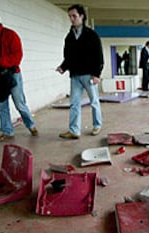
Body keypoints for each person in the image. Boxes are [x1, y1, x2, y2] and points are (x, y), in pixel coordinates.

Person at [0, 9, 38, 142]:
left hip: (13, 74)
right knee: (1, 104)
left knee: (19, 103)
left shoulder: (11, 35)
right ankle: (7, 131)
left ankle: (31, 125)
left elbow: (17, 57)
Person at [56, 4, 104, 139]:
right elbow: (68, 57)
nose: (72, 19)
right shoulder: (69, 37)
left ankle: (97, 125)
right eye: (70, 16)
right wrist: (63, 67)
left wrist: (97, 74)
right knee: (74, 103)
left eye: (74, 16)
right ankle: (74, 130)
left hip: (89, 74)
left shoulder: (92, 35)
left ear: (82, 17)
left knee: (94, 101)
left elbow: (99, 56)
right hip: (75, 76)